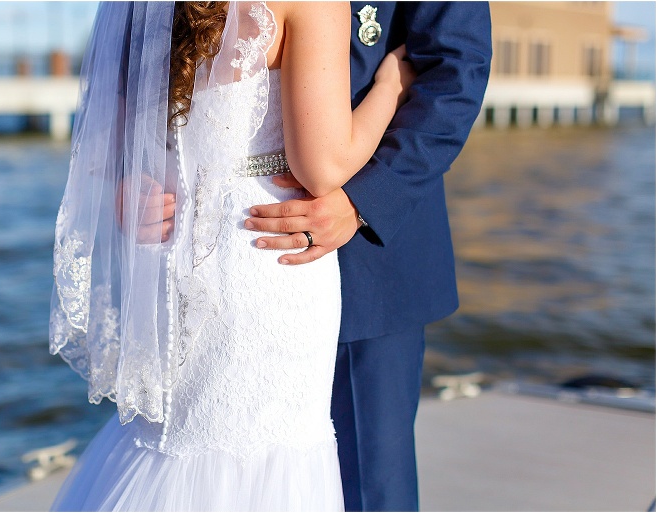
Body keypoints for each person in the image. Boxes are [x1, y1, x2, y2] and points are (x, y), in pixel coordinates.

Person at [49, 2, 415, 510]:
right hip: (263, 253)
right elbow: (323, 167)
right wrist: (389, 89)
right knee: (265, 454)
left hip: (176, 245)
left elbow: (115, 112)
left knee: (179, 438)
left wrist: (130, 185)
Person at [244, 3, 492, 511]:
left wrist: (363, 201)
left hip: (367, 265)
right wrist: (135, 175)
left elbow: (455, 69)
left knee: (368, 487)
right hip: (224, 251)